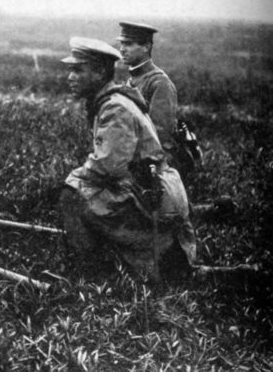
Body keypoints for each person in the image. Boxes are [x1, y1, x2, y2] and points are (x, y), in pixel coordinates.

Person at [58, 36, 196, 282]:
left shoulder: (114, 107)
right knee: (83, 192)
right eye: (71, 70)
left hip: (154, 198)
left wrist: (73, 178)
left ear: (100, 72)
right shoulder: (112, 101)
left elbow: (108, 166)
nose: (71, 77)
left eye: (78, 70)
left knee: (71, 195)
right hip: (151, 191)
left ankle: (89, 275)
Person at [116, 22, 200, 180]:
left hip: (158, 163)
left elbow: (159, 133)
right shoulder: (133, 79)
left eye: (128, 44)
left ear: (146, 47)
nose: (122, 49)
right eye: (121, 43)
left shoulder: (160, 83)